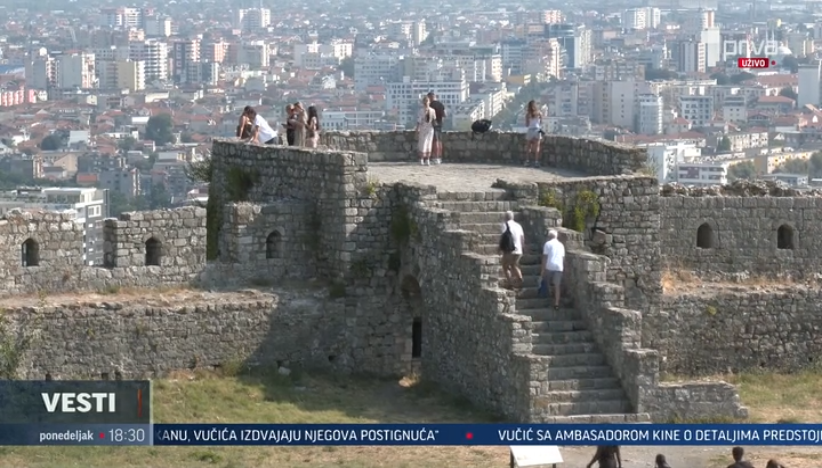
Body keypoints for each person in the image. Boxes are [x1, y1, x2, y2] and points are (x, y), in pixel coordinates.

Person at [499, 211, 525, 290]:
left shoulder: (504, 225)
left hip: (509, 250)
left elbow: (503, 238)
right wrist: (521, 248)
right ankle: (520, 279)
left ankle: (510, 283)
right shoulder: (518, 226)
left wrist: (500, 248)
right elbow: (522, 238)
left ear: (505, 217)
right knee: (514, 265)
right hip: (519, 250)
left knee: (505, 266)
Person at [541, 229, 565, 310]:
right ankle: (556, 304)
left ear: (549, 236)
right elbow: (563, 257)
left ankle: (549, 296)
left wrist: (542, 270)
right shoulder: (561, 245)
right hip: (559, 267)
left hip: (549, 266)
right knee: (557, 286)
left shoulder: (547, 244)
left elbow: (545, 257)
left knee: (547, 282)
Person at [416, 96, 436, 165]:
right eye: (424, 101)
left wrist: (435, 126)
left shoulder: (432, 110)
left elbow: (434, 120)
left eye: (427, 101)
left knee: (429, 143)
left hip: (430, 129)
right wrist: (417, 129)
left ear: (429, 102)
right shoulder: (421, 111)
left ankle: (427, 159)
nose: (425, 103)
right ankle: (421, 159)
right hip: (423, 128)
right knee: (422, 143)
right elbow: (418, 121)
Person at [427, 91, 446, 165]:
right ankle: (439, 157)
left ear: (430, 97)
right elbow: (444, 115)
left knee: (434, 141)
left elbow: (428, 116)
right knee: (439, 141)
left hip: (433, 125)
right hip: (439, 124)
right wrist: (441, 121)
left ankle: (435, 157)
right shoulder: (441, 104)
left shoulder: (431, 105)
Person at [524, 100, 543, 167]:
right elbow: (541, 122)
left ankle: (527, 161)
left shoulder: (528, 114)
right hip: (537, 130)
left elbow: (527, 124)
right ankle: (536, 162)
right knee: (537, 147)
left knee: (528, 147)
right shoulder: (539, 113)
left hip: (530, 131)